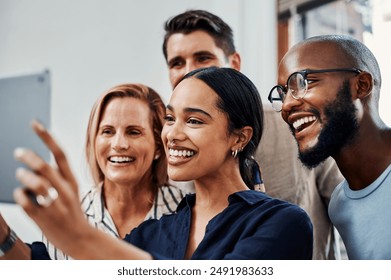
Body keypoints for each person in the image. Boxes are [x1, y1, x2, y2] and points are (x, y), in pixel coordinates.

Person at [3, 67, 313, 260]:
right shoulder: (149, 233)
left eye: (193, 120)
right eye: (169, 119)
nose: (172, 135)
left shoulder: (283, 223)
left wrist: (79, 236)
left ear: (239, 138)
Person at [162, 9, 343, 259]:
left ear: (234, 64)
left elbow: (348, 208)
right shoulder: (173, 156)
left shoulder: (297, 126)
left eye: (203, 58)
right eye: (177, 63)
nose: (188, 72)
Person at [0, 83, 184, 259]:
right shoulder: (67, 216)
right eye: (107, 131)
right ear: (94, 142)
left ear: (159, 147)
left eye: (134, 132)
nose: (119, 144)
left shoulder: (187, 213)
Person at [267, 34, 391, 259]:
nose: (286, 105)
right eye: (283, 92)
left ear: (361, 85)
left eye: (303, 82)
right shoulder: (340, 205)